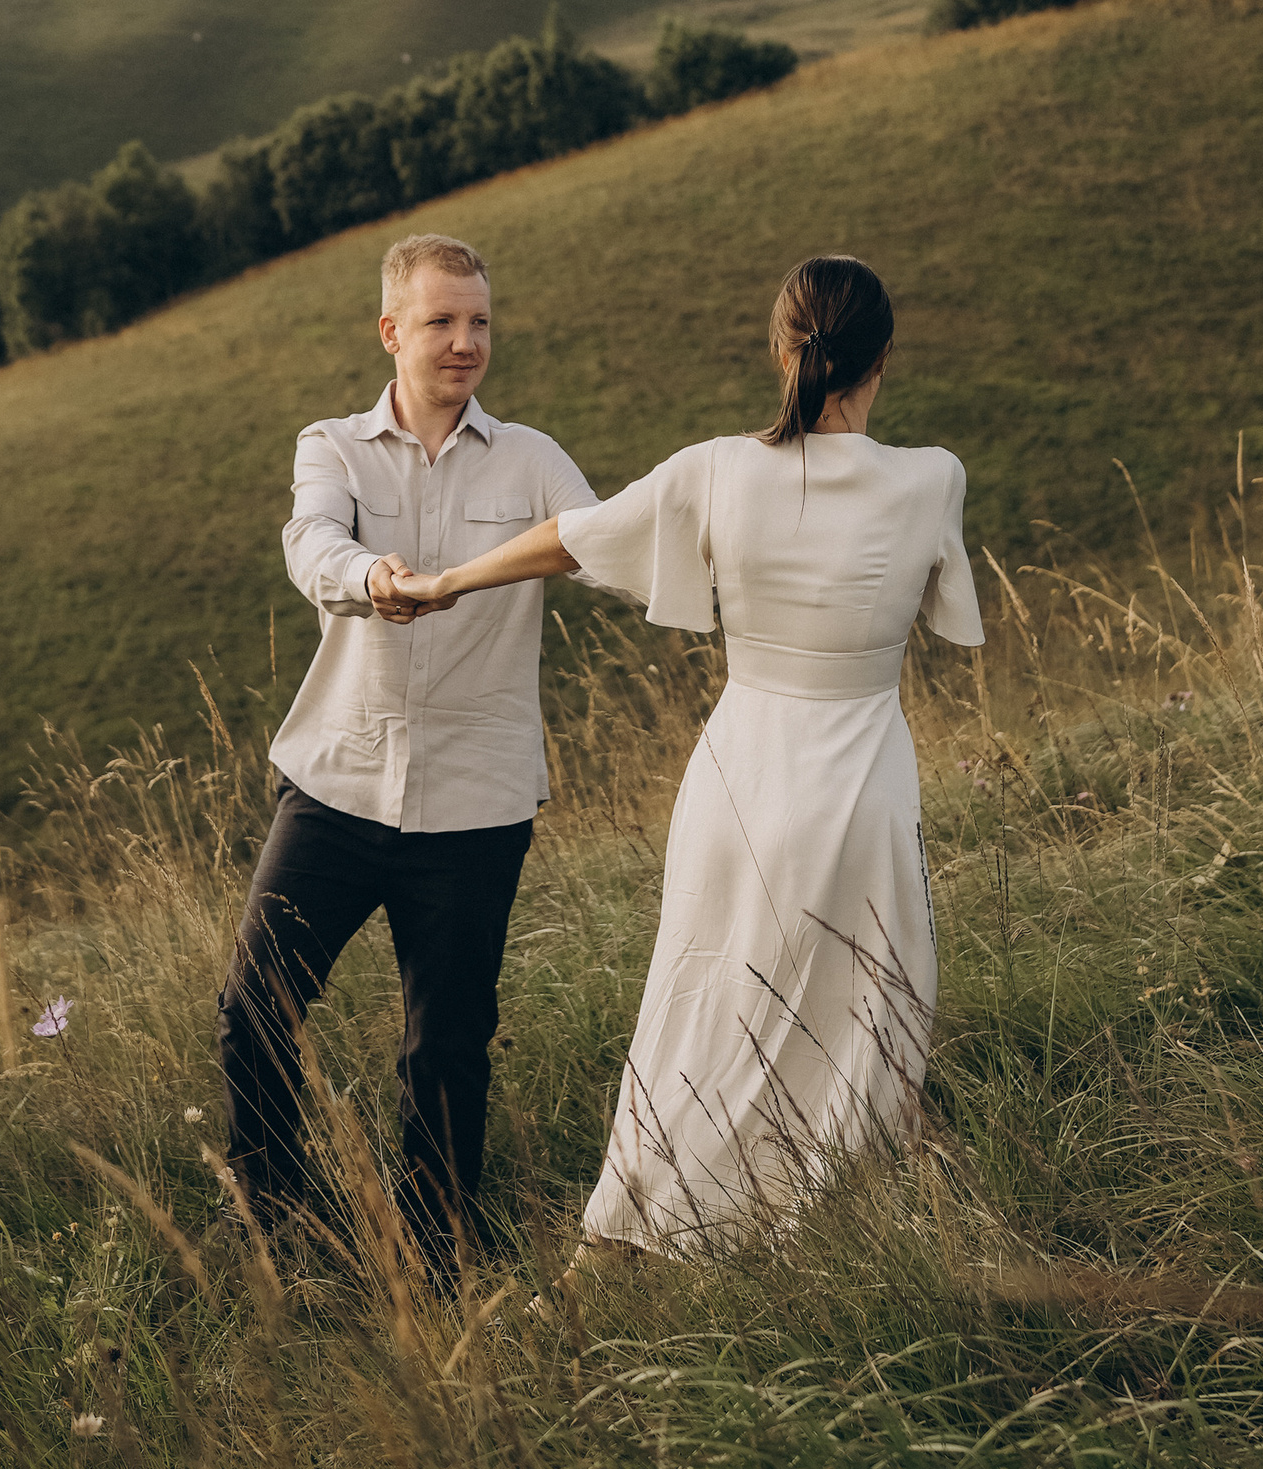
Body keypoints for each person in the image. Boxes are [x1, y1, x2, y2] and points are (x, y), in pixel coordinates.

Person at [375, 252, 983, 1252]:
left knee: (699, 1003)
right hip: (863, 783)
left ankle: (643, 1219)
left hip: (740, 778)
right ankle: (836, 1210)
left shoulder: (714, 467)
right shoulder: (932, 476)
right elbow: (932, 605)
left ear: (780, 347)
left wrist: (447, 581)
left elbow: (574, 535)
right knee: (870, 995)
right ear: (881, 355)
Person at [217, 230, 594, 1271]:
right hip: (335, 784)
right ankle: (279, 1232)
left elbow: (605, 537)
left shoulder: (529, 457)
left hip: (475, 802)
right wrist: (372, 575)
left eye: (479, 320)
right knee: (254, 1007)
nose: (465, 340)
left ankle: (436, 1255)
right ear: (392, 330)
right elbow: (310, 545)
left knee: (446, 1048)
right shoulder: (331, 445)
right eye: (441, 320)